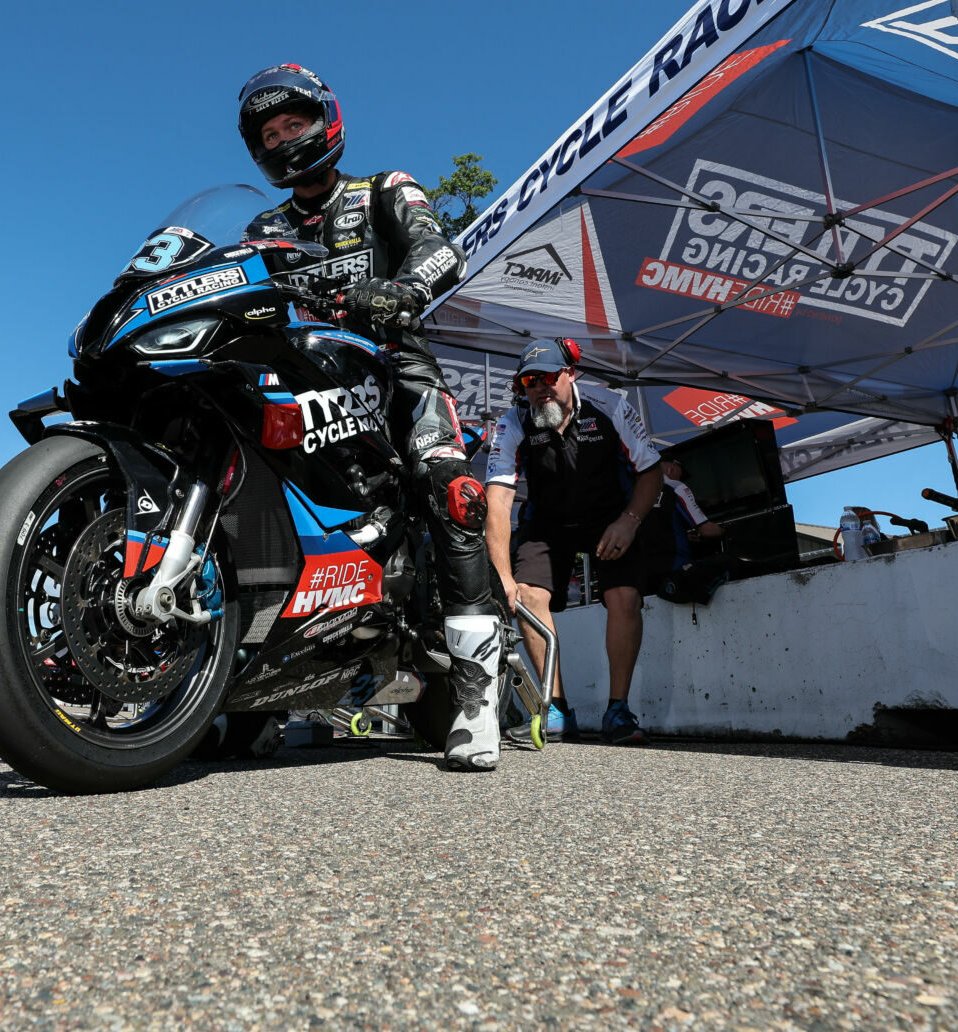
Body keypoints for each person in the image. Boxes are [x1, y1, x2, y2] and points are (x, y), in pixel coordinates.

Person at [236, 64, 503, 771]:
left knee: (452, 490)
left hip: (394, 371)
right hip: (301, 380)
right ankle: (252, 693)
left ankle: (477, 701)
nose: (284, 139)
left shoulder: (383, 189)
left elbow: (443, 246)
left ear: (326, 120)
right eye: (270, 133)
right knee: (247, 496)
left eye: (293, 123)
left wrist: (403, 287)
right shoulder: (261, 227)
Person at [485, 338, 664, 743]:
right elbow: (497, 502)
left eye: (549, 376)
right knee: (528, 598)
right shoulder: (512, 422)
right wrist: (503, 577)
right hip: (547, 522)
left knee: (624, 596)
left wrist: (630, 521)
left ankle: (618, 710)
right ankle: (555, 708)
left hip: (610, 518)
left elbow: (651, 472)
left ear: (571, 374)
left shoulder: (611, 405)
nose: (541, 388)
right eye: (530, 381)